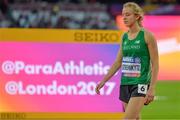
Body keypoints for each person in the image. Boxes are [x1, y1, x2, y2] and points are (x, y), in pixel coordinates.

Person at [95, 2, 159, 119]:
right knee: (136, 118)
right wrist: (104, 80)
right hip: (125, 84)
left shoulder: (147, 36)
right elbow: (118, 62)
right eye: (123, 14)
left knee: (128, 118)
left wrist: (152, 88)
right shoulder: (124, 37)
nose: (124, 17)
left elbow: (155, 63)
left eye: (128, 14)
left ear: (137, 16)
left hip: (140, 83)